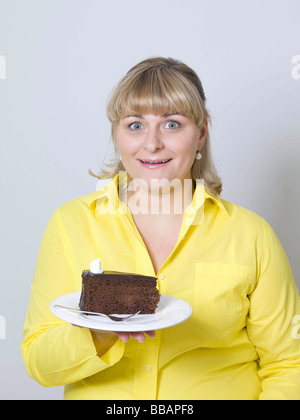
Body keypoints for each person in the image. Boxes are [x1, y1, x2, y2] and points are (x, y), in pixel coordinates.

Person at [21, 57, 300, 400]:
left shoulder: (253, 235)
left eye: (171, 124)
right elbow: (38, 361)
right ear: (117, 135)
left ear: (200, 134)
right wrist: (99, 335)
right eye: (135, 125)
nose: (151, 144)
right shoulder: (70, 223)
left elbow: (289, 364)